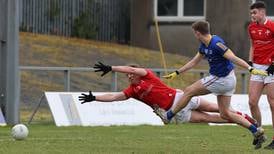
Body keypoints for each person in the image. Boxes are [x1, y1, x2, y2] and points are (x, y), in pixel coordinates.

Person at [153, 20, 268, 149]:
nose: (194, 36)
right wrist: (177, 72)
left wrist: (250, 68)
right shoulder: (204, 45)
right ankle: (256, 130)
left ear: (197, 33)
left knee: (189, 91)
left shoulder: (216, 44)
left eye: (194, 33)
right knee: (225, 114)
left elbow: (232, 57)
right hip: (226, 80)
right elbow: (194, 62)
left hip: (221, 79)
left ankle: (168, 116)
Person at [78, 62, 257, 125]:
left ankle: (244, 118)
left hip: (181, 98)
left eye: (130, 72)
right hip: (174, 113)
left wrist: (111, 68)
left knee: (216, 108)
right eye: (127, 74)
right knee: (207, 118)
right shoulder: (132, 91)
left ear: (137, 71)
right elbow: (114, 97)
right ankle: (238, 120)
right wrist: (95, 98)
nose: (128, 75)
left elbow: (129, 68)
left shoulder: (146, 75)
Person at [248, 1, 274, 150]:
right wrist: (250, 62)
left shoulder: (272, 26)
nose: (253, 15)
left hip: (271, 68)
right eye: (251, 13)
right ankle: (259, 133)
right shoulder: (251, 27)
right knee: (252, 102)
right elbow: (252, 45)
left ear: (262, 13)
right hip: (258, 67)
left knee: (272, 104)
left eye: (255, 13)